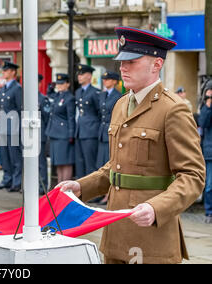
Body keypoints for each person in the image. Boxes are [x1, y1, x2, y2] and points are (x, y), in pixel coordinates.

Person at [58, 26, 205, 264]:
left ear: (156, 65)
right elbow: (117, 166)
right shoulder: (121, 104)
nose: (122, 68)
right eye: (121, 61)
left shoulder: (173, 109)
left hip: (151, 236)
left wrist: (157, 208)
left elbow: (193, 176)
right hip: (116, 231)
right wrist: (81, 187)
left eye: (132, 61)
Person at [0, 61, 23, 192]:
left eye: (6, 70)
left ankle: (17, 182)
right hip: (3, 127)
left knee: (15, 157)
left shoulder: (17, 88)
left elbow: (21, 110)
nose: (3, 73)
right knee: (5, 156)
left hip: (13, 128)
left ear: (13, 72)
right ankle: (7, 179)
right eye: (3, 71)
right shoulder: (4, 88)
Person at [45, 73, 75, 185]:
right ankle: (59, 186)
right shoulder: (57, 96)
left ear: (68, 84)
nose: (59, 85)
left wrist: (71, 135)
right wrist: (51, 86)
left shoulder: (69, 98)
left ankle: (65, 187)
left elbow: (70, 117)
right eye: (58, 83)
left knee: (66, 162)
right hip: (54, 133)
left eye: (62, 83)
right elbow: (49, 94)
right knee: (58, 162)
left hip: (64, 134)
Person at [74, 64, 101, 179]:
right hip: (80, 131)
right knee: (80, 163)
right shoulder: (78, 92)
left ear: (89, 76)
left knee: (90, 163)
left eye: (82, 74)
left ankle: (92, 193)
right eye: (79, 74)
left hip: (91, 131)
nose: (79, 76)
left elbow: (100, 113)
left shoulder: (95, 92)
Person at [97, 71, 122, 169]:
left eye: (107, 79)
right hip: (102, 131)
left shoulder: (118, 96)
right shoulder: (102, 95)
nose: (104, 81)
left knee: (109, 160)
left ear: (114, 81)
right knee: (100, 161)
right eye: (104, 79)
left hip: (112, 130)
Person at [199, 86, 212, 224]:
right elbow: (203, 123)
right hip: (210, 152)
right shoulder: (206, 109)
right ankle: (209, 212)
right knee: (209, 185)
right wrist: (208, 104)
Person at [38, 74, 51, 194]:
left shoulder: (42, 99)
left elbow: (47, 118)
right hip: (27, 135)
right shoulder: (25, 98)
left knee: (41, 162)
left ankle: (42, 186)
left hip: (39, 134)